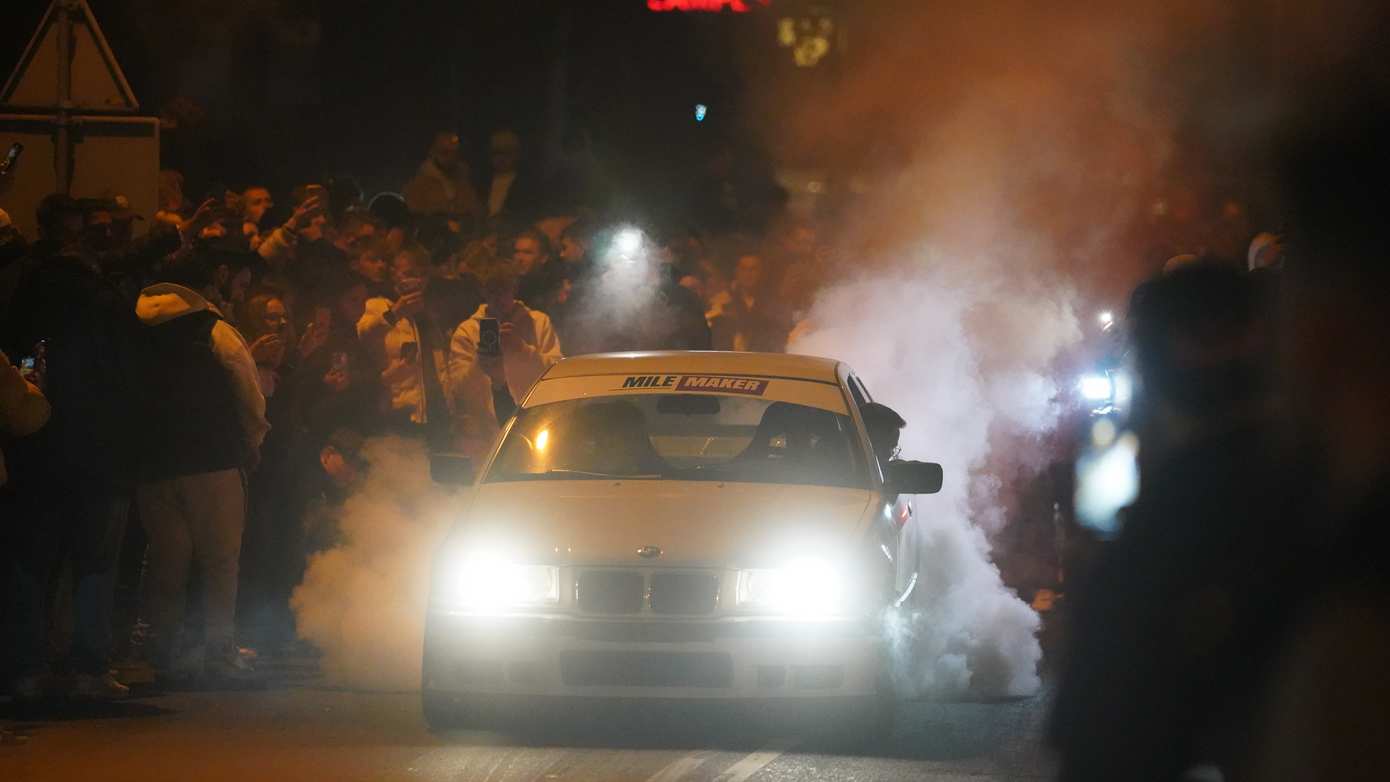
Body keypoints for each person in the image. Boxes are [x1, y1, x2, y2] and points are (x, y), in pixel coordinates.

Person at [2, 195, 148, 699]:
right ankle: (88, 667)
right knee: (96, 564)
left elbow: (19, 372)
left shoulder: (23, 292)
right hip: (99, 454)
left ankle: (27, 666)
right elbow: (127, 377)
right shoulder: (105, 300)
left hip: (39, 450)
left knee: (31, 563)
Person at [132, 276, 267, 684]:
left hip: (154, 465)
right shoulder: (213, 331)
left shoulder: (135, 333)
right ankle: (218, 651)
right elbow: (246, 386)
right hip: (214, 461)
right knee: (220, 561)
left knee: (166, 560)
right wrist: (253, 436)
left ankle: (160, 650)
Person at [447, 261, 562, 453]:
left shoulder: (538, 322)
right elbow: (458, 391)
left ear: (514, 288)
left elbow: (557, 374)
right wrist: (480, 363)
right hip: (485, 431)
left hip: (533, 422)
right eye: (492, 291)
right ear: (482, 291)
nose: (498, 298)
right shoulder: (468, 331)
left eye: (503, 290)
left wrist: (521, 348)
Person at [356, 244, 453, 449]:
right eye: (408, 273)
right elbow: (363, 335)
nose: (416, 280)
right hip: (399, 416)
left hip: (439, 416)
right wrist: (395, 313)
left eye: (422, 275)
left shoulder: (433, 312)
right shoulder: (376, 306)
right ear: (394, 274)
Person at [707, 252, 788, 352]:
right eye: (743, 269)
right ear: (736, 272)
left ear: (761, 272)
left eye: (753, 269)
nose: (748, 274)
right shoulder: (723, 301)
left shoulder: (772, 303)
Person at [403, 131, 482, 224]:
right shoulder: (418, 185)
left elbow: (477, 213)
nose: (450, 158)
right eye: (445, 153)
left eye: (454, 153)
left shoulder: (465, 183)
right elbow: (412, 216)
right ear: (433, 152)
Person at [478, 129, 543, 221]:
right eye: (497, 152)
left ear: (517, 154)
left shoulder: (526, 185)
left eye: (507, 153)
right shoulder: (481, 182)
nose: (502, 158)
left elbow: (530, 215)